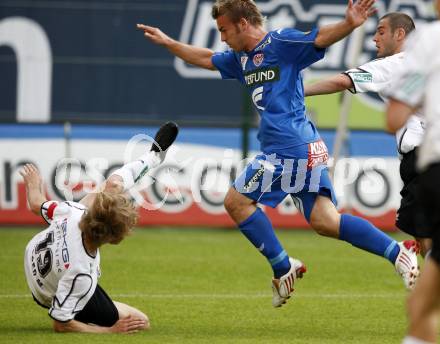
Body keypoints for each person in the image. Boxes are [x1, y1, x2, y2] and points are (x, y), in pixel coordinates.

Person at [137, 0, 419, 308]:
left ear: (243, 24)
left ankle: (283, 266)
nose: (222, 38)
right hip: (303, 145)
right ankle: (398, 252)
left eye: (224, 30)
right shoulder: (242, 59)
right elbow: (206, 59)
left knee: (236, 201)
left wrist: (349, 24)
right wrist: (169, 43)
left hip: (289, 147)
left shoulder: (281, 42)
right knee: (326, 221)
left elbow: (318, 38)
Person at [21, 122, 179, 333]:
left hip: (35, 257)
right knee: (141, 321)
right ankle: (95, 308)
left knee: (112, 186)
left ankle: (152, 158)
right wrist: (110, 330)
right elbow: (61, 323)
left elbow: (35, 203)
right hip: (45, 291)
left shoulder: (72, 212)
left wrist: (33, 183)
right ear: (115, 239)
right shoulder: (83, 274)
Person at [304, 12, 431, 257]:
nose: (374, 38)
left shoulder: (396, 64)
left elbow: (343, 81)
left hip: (423, 159)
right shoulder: (427, 61)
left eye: (381, 31)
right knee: (424, 234)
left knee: (427, 239)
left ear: (400, 34)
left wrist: (296, 92)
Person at [385, 3, 440, 343]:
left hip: (434, 164)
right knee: (422, 304)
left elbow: (393, 117)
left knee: (421, 308)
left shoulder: (429, 41)